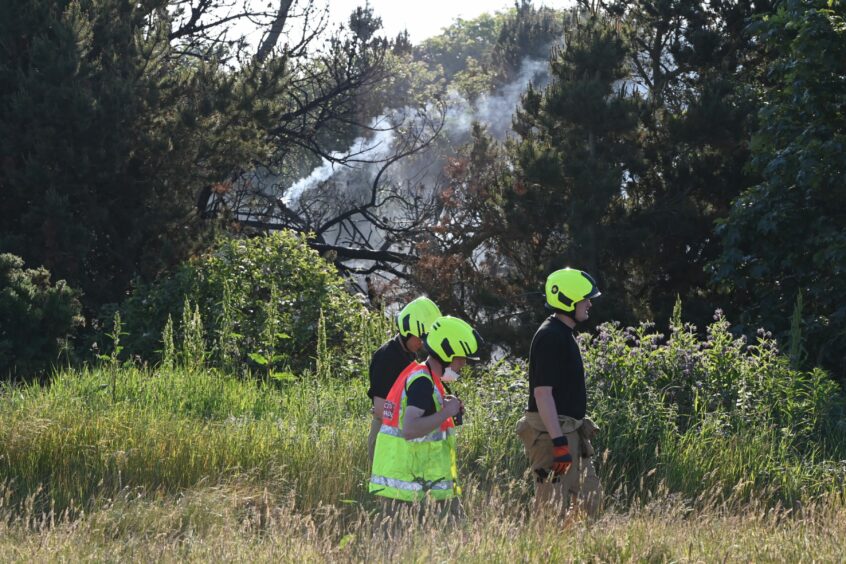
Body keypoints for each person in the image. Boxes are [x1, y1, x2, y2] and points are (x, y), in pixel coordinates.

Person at [516, 267, 603, 519]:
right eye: (585, 298)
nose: (589, 303)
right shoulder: (550, 336)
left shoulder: (563, 333)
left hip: (569, 431)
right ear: (567, 300)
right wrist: (559, 443)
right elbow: (542, 394)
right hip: (552, 436)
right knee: (551, 510)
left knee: (590, 501)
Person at [369, 316, 481, 510]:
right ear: (447, 353)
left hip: (422, 485)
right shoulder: (422, 382)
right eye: (461, 358)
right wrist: (446, 412)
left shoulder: (427, 378)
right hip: (405, 488)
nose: (463, 364)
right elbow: (410, 429)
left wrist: (443, 407)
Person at [367, 296, 441, 461]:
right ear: (407, 330)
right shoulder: (386, 357)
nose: (422, 343)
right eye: (419, 338)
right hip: (385, 437)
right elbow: (380, 409)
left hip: (399, 436)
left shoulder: (408, 354)